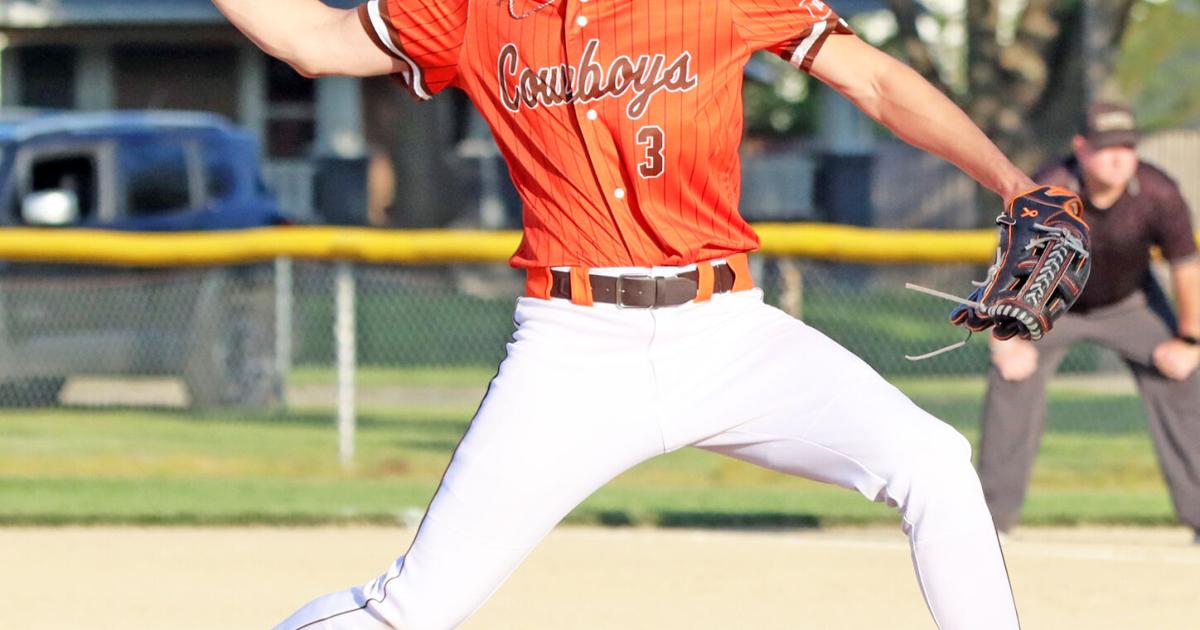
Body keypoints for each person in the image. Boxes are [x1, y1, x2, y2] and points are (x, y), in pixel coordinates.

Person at [213, 1, 1039, 628]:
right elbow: (308, 39)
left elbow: (875, 80)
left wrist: (1011, 183)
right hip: (574, 348)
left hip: (728, 332)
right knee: (415, 606)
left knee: (933, 463)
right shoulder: (470, 11)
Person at [979, 102, 1200, 543]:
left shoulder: (1158, 192)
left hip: (1130, 303)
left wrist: (1190, 340)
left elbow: (1186, 266)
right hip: (1050, 307)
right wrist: (1005, 339)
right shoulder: (1050, 189)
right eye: (1106, 147)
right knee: (1012, 378)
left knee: (1182, 377)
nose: (1119, 158)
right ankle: (990, 521)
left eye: (1127, 147)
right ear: (1081, 148)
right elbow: (1009, 261)